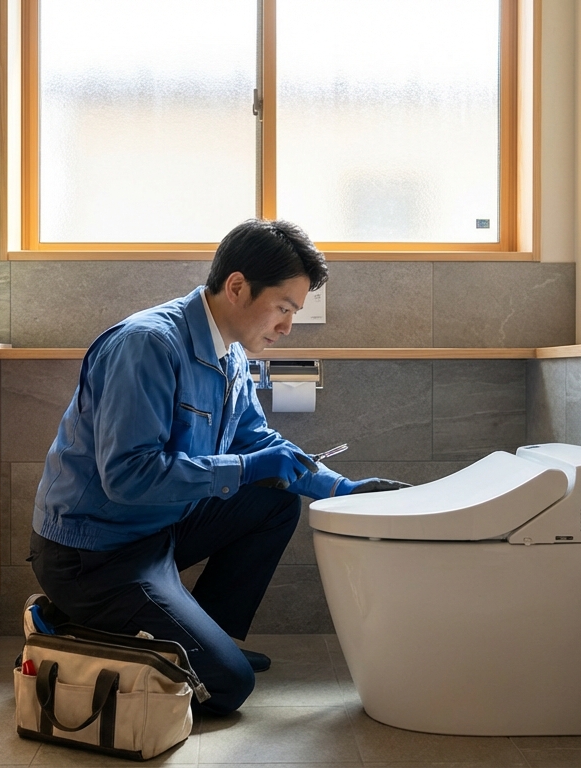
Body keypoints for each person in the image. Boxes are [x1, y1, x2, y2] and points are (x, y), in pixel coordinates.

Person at [28, 219, 408, 715]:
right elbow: (127, 477)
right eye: (283, 308)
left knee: (274, 500)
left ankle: (198, 636)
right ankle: (83, 625)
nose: (287, 326)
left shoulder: (230, 354)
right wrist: (245, 467)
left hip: (156, 529)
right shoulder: (147, 345)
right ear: (237, 287)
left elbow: (259, 441)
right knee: (229, 685)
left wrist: (339, 488)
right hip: (92, 555)